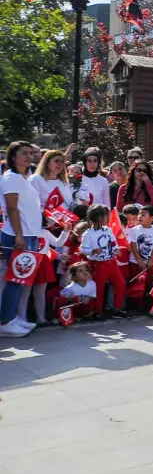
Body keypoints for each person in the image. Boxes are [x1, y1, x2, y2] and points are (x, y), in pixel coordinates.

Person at [0, 142, 43, 336]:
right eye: (23, 153)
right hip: (19, 235)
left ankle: (11, 316)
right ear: (12, 156)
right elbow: (12, 208)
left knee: (20, 278)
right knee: (15, 279)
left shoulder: (22, 177)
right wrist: (18, 234)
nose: (28, 156)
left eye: (30, 153)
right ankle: (5, 321)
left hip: (29, 234)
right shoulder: (12, 178)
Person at [80, 204, 131, 318]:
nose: (108, 218)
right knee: (99, 288)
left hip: (111, 262)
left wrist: (116, 249)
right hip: (98, 264)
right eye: (106, 215)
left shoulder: (108, 230)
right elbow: (83, 250)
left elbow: (113, 243)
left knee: (120, 283)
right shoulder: (88, 233)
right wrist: (93, 251)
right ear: (99, 217)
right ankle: (98, 311)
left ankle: (117, 308)